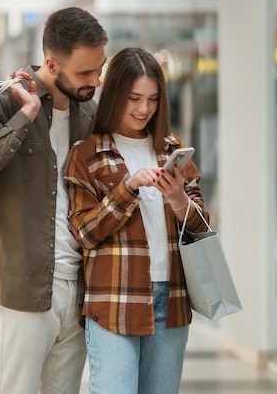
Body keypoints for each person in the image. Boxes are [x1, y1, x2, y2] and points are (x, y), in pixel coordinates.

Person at [0, 7, 108, 394]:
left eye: (99, 69)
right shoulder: (7, 101)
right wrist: (25, 116)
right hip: (20, 286)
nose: (95, 81)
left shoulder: (88, 114)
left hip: (77, 288)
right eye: (85, 73)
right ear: (51, 64)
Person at [63, 47, 210, 394]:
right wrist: (127, 188)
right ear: (115, 95)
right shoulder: (88, 153)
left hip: (172, 298)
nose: (144, 109)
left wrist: (177, 197)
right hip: (114, 299)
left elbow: (202, 226)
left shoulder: (172, 151)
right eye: (134, 98)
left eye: (153, 99)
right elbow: (84, 232)